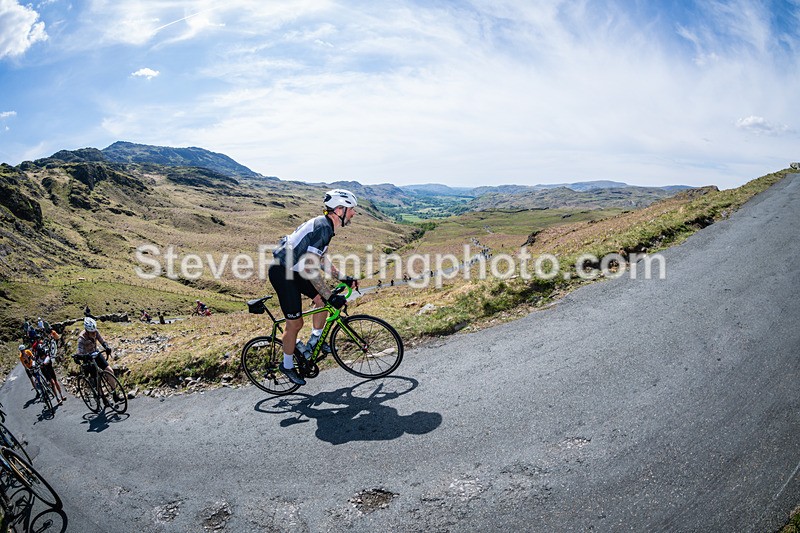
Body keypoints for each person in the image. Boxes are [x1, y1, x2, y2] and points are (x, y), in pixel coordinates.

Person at [268, 189, 360, 385]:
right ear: (339, 209)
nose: (354, 214)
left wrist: (343, 278)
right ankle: (287, 365)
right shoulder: (322, 227)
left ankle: (315, 341)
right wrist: (329, 294)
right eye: (352, 210)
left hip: (296, 269)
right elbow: (311, 267)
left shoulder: (326, 226)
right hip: (282, 272)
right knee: (295, 323)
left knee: (321, 300)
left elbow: (321, 260)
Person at [77, 317, 116, 381]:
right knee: (97, 379)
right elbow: (79, 352)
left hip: (96, 353)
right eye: (92, 332)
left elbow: (102, 341)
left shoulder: (95, 331)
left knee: (110, 371)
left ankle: (114, 390)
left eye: (95, 331)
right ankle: (97, 389)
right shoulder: (81, 338)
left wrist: (106, 347)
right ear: (87, 331)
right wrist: (84, 356)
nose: (94, 333)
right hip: (88, 358)